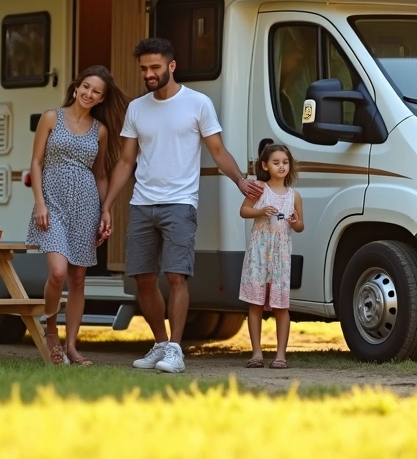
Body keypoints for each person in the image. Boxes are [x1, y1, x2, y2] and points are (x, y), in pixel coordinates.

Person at [100, 38, 264, 374]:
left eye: (155, 67)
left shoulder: (198, 103)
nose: (149, 74)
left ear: (171, 66)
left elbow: (218, 151)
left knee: (176, 276)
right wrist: (107, 205)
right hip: (142, 203)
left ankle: (176, 350)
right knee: (143, 279)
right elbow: (126, 161)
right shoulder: (137, 108)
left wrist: (239, 180)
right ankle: (161, 344)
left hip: (180, 203)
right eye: (144, 68)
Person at [27, 65, 127, 366]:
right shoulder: (51, 118)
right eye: (86, 87)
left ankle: (71, 347)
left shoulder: (100, 130)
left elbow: (100, 175)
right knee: (58, 272)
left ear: (101, 98)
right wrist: (40, 203)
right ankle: (51, 333)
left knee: (79, 279)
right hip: (52, 203)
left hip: (86, 205)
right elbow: (35, 163)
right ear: (76, 87)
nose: (89, 94)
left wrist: (105, 210)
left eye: (96, 91)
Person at [239, 142, 304, 369]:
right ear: (265, 165)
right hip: (259, 252)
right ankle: (257, 353)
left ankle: (281, 355)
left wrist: (295, 222)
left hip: (281, 255)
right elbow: (243, 210)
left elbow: (300, 226)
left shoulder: (294, 196)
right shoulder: (259, 188)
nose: (281, 166)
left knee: (281, 305)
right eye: (276, 162)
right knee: (255, 303)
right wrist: (260, 211)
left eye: (285, 162)